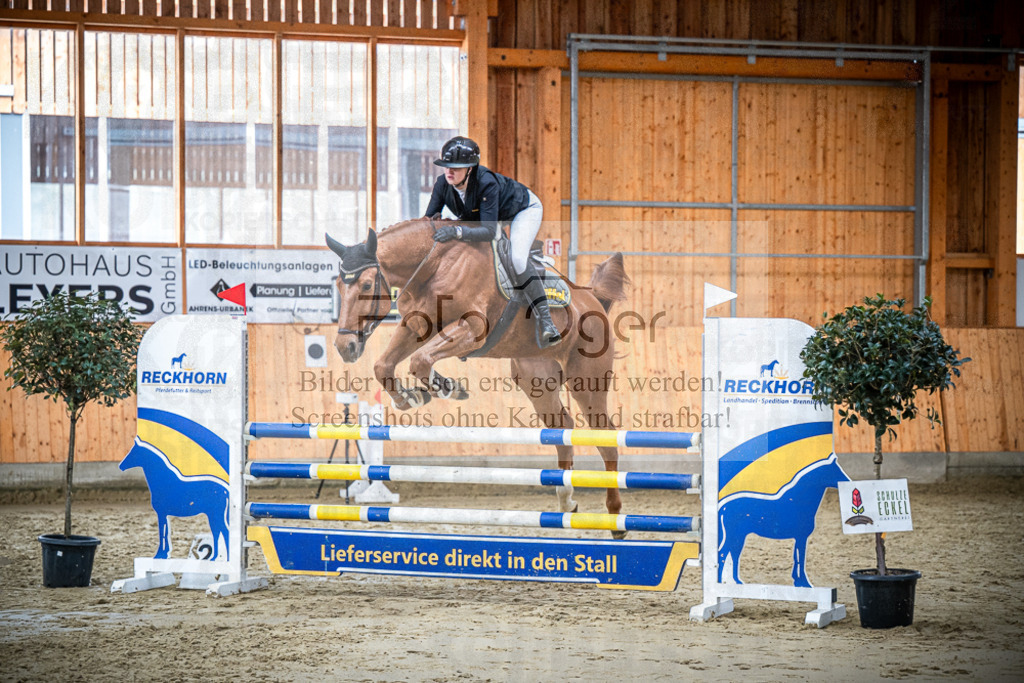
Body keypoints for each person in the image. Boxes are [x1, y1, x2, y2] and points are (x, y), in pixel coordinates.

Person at [424, 136, 561, 349]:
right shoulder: (443, 183)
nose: (449, 171)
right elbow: (429, 220)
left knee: (516, 259)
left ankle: (547, 322)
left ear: (470, 169)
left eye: (456, 168)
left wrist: (456, 231)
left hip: (522, 210)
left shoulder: (486, 182)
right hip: (489, 216)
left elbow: (488, 232)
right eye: (446, 166)